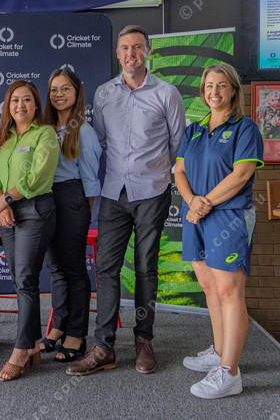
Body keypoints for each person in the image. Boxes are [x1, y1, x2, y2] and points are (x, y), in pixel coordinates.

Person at [66, 25, 185, 376]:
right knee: (106, 269)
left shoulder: (167, 93)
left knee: (146, 268)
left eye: (137, 47)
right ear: (117, 54)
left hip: (152, 192)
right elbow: (103, 141)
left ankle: (144, 341)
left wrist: (160, 175)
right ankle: (103, 347)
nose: (131, 53)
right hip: (114, 193)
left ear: (147, 51)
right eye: (124, 48)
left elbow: (178, 145)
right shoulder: (103, 94)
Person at [175, 63, 263, 399]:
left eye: (222, 85)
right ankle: (219, 350)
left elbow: (241, 175)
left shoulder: (245, 128)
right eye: (209, 85)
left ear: (233, 90)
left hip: (229, 216)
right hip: (195, 215)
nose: (214, 91)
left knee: (229, 291)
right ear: (203, 91)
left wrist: (205, 202)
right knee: (209, 287)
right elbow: (179, 170)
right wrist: (191, 201)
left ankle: (230, 372)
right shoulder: (194, 130)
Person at [0, 80, 59, 381]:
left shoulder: (45, 133)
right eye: (15, 100)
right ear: (8, 105)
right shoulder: (3, 137)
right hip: (7, 213)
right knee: (19, 280)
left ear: (36, 104)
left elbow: (37, 177)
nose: (20, 105)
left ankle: (20, 350)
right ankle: (32, 347)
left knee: (26, 278)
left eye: (27, 99)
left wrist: (4, 200)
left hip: (35, 210)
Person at [40, 69, 101, 362]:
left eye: (65, 89)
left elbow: (90, 180)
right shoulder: (44, 128)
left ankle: (77, 333)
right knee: (55, 268)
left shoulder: (83, 132)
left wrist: (84, 215)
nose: (59, 94)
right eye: (54, 89)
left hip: (72, 199)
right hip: (45, 199)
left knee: (74, 269)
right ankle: (58, 327)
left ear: (77, 93)